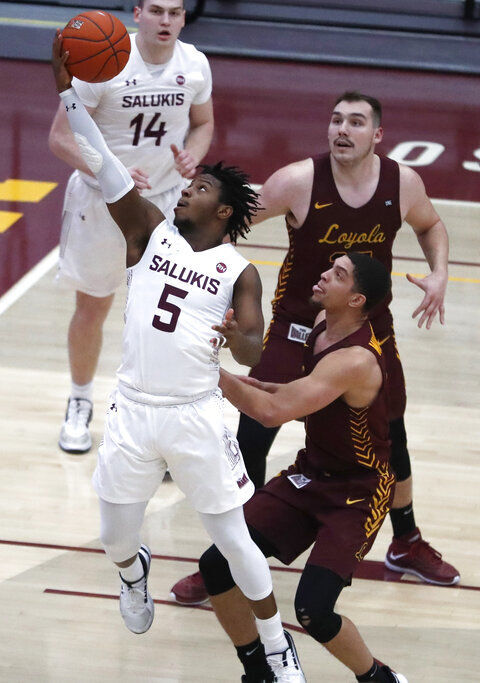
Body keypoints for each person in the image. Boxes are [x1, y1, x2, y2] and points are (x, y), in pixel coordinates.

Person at [49, 35, 304, 682]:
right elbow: (103, 162)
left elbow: (252, 346)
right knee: (113, 536)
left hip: (195, 415)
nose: (184, 189)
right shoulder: (148, 229)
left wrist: (232, 333)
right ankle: (133, 574)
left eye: (199, 188)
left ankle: (276, 643)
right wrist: (64, 87)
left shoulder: (238, 271)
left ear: (222, 211)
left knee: (234, 540)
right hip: (133, 411)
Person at [172, 91, 458, 605]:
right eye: (335, 120)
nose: (341, 130)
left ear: (378, 135)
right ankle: (234, 557)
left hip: (367, 334)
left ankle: (406, 542)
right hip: (295, 330)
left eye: (355, 122)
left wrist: (439, 273)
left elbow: (431, 224)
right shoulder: (297, 181)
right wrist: (201, 275)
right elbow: (223, 222)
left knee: (392, 438)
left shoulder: (403, 183)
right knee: (253, 435)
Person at [203, 253, 409, 683]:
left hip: (359, 492)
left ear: (356, 299)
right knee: (217, 565)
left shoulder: (356, 359)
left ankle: (377, 677)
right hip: (312, 473)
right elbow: (303, 397)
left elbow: (274, 413)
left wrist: (208, 373)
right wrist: (249, 384)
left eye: (337, 274)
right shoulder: (321, 329)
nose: (323, 274)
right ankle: (259, 669)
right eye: (329, 265)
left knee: (313, 609)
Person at [50, 0, 215, 454]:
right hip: (101, 203)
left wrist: (192, 154)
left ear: (184, 18)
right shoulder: (101, 61)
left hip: (164, 205)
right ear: (138, 13)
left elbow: (202, 125)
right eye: (157, 11)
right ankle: (80, 402)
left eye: (176, 13)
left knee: (164, 318)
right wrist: (113, 171)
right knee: (94, 306)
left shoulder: (195, 64)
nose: (167, 21)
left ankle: (156, 423)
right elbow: (61, 138)